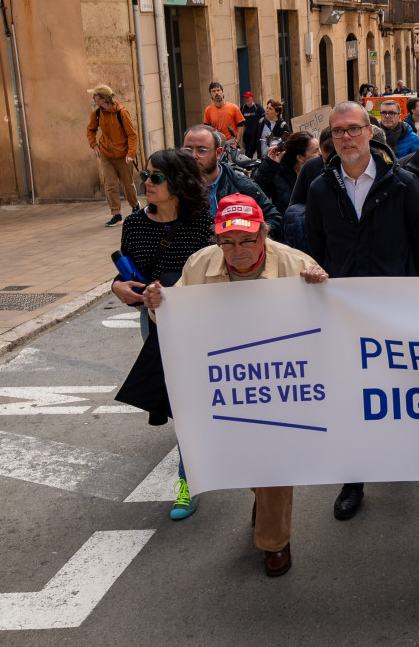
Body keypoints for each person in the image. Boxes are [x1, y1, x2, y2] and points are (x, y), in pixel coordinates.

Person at [142, 194, 329, 577]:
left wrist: (320, 287)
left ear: (264, 235)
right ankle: (260, 491)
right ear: (216, 240)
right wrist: (157, 304)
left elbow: (328, 321)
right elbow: (174, 321)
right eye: (227, 242)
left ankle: (274, 543)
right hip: (224, 383)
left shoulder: (297, 264)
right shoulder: (199, 264)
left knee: (273, 462)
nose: (237, 250)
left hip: (281, 385)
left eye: (247, 240)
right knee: (241, 456)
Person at [304, 100, 419, 519]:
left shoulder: (404, 184)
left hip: (394, 309)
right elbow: (315, 250)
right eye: (338, 131)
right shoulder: (321, 188)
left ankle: (402, 454)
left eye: (353, 129)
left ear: (370, 132)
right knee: (349, 396)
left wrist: (417, 301)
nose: (346, 138)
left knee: (396, 388)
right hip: (343, 311)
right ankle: (353, 479)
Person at [111, 148, 214, 519]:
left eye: (156, 177)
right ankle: (192, 478)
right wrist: (117, 288)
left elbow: (216, 276)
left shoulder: (203, 223)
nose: (146, 183)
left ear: (179, 181)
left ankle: (199, 468)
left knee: (197, 398)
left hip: (200, 325)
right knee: (181, 402)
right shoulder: (135, 224)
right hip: (153, 324)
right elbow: (128, 275)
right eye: (145, 176)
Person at [182, 125, 283, 239]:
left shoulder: (240, 186)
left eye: (202, 150)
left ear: (218, 153)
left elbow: (274, 219)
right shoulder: (175, 187)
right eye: (188, 150)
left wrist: (248, 239)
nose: (193, 156)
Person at [86, 84, 140, 226]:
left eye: (95, 96)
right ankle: (116, 214)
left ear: (103, 98)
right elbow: (90, 130)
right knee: (110, 184)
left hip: (123, 155)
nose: (93, 98)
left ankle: (135, 206)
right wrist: (94, 145)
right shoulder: (97, 113)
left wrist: (131, 153)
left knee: (127, 184)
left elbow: (132, 135)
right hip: (106, 153)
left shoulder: (121, 113)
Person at [254, 131, 319, 215]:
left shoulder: (320, 171)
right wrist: (269, 165)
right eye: (316, 151)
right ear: (300, 157)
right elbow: (256, 194)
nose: (320, 153)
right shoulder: (279, 175)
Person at [204, 82, 244, 148]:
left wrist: (236, 142)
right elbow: (207, 129)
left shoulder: (233, 107)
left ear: (223, 92)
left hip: (231, 145)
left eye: (218, 90)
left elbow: (240, 126)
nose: (216, 93)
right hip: (217, 145)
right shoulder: (208, 110)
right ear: (211, 95)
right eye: (213, 91)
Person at [239, 92, 266, 158]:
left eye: (247, 98)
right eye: (244, 98)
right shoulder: (243, 108)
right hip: (247, 135)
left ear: (252, 98)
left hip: (257, 134)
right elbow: (239, 120)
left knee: (259, 152)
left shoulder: (257, 107)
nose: (246, 99)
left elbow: (264, 118)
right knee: (248, 153)